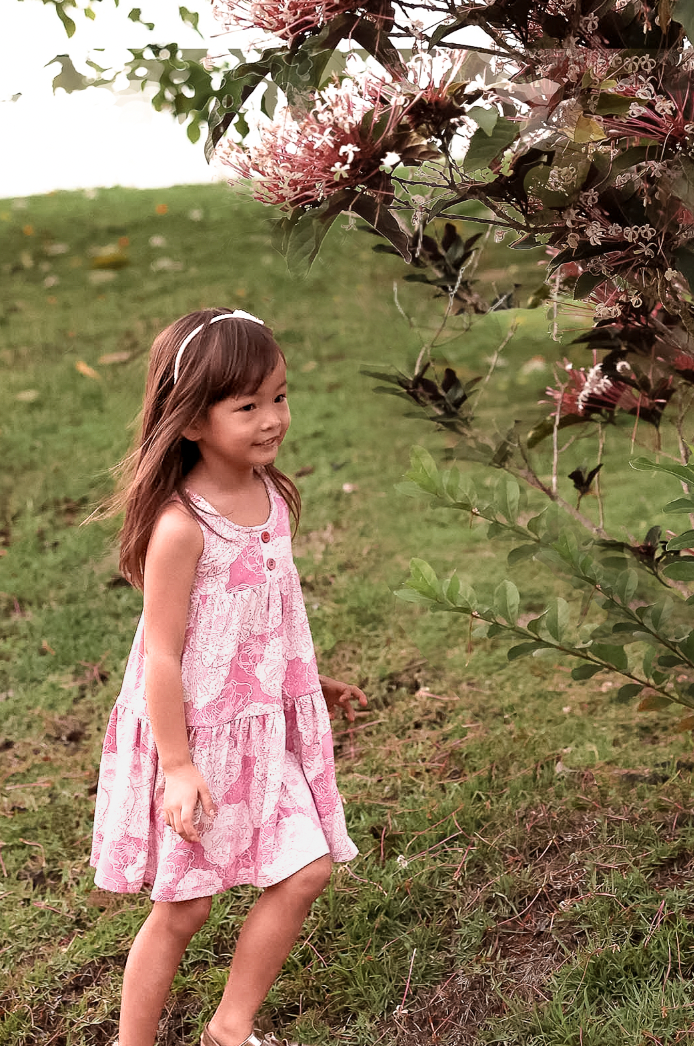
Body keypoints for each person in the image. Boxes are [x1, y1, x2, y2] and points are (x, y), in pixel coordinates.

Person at [90, 308, 368, 1046]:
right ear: (189, 421)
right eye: (246, 405)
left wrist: (308, 681)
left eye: (279, 395)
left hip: (262, 725)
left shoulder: (272, 496)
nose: (272, 417)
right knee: (183, 910)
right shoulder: (182, 527)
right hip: (197, 740)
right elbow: (164, 654)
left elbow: (262, 618)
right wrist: (177, 767)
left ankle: (228, 1027)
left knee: (305, 870)